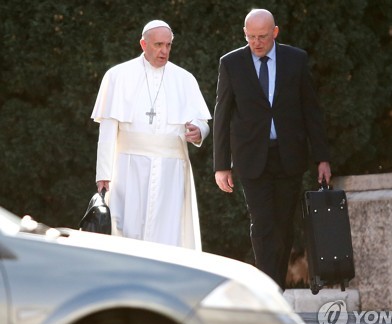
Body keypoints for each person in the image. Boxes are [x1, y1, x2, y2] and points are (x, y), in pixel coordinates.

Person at [213, 9, 332, 290]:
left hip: (289, 156)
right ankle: (269, 289)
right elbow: (222, 113)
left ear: (275, 32)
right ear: (245, 34)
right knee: (263, 224)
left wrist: (322, 158)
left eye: (263, 37)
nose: (256, 43)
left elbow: (311, 111)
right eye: (251, 37)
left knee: (283, 227)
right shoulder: (231, 63)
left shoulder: (296, 59)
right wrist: (221, 165)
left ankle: (275, 286)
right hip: (252, 158)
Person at [91, 20, 211, 250]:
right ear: (143, 44)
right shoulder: (117, 75)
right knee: (127, 228)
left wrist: (198, 132)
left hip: (171, 171)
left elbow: (201, 121)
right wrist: (103, 173)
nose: (164, 51)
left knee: (169, 232)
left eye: (168, 45)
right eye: (158, 45)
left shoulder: (184, 78)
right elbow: (107, 129)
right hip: (128, 168)